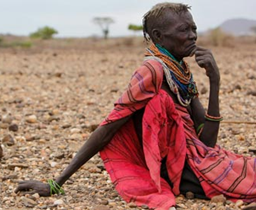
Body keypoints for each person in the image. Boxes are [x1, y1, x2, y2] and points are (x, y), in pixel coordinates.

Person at [15, 3, 256, 209]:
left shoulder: (181, 71)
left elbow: (208, 143)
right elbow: (108, 128)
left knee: (246, 167)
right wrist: (57, 183)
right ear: (159, 36)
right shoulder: (151, 71)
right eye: (184, 30)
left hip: (198, 158)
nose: (193, 35)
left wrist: (215, 81)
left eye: (193, 29)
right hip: (181, 170)